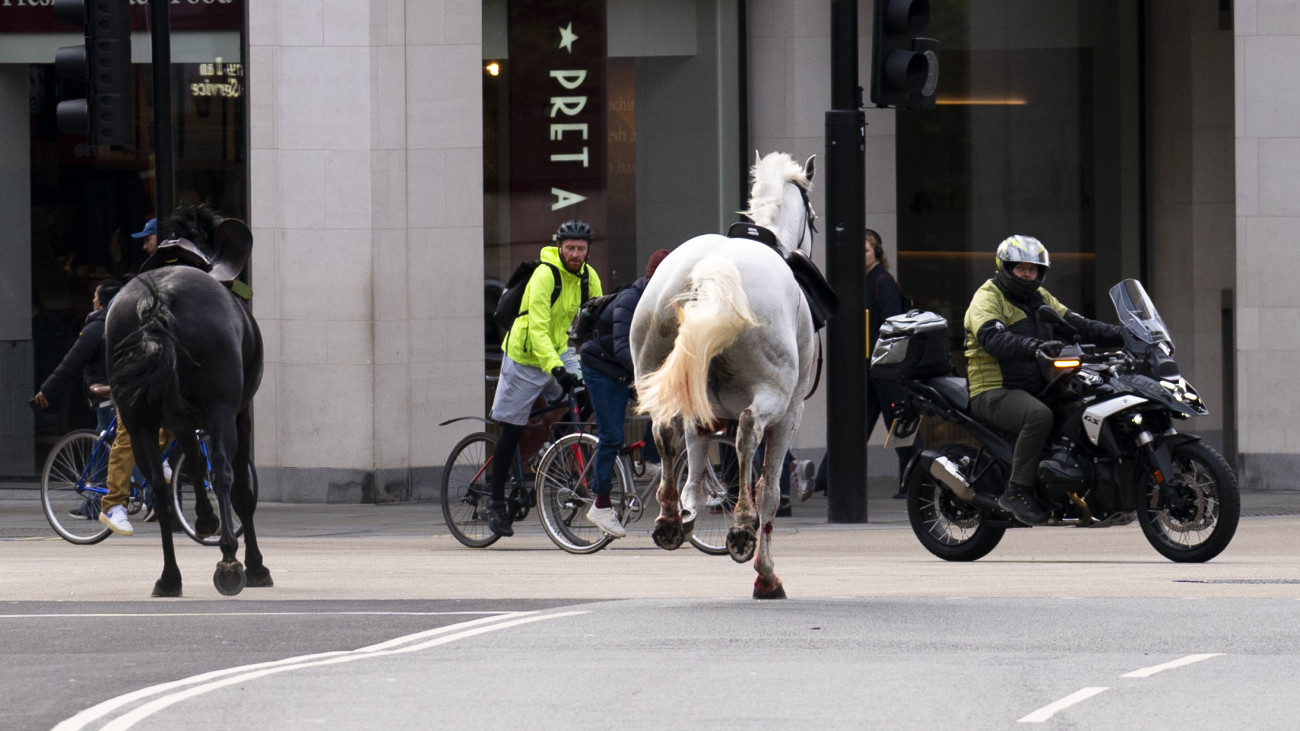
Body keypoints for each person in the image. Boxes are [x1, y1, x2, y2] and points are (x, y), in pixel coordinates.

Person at [964, 235, 1124, 525]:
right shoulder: (987, 297)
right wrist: (1033, 346)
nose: (1028, 274)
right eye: (1021, 268)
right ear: (1005, 267)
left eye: (1033, 269)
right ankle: (1016, 491)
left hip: (1037, 385)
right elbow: (994, 338)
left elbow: (1077, 323)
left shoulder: (1040, 298)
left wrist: (1125, 334)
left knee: (1084, 405)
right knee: (1038, 416)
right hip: (995, 388)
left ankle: (1076, 487)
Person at [484, 219, 603, 536]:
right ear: (560, 247)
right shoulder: (544, 275)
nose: (575, 254)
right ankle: (494, 503)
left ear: (588, 250)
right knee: (512, 428)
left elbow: (596, 325)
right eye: (570, 248)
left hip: (559, 350)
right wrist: (557, 371)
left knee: (585, 396)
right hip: (525, 356)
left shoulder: (590, 279)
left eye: (581, 249)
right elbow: (536, 330)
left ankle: (554, 448)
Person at [804, 229, 919, 501]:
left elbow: (892, 324)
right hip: (870, 367)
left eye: (866, 251)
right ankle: (828, 478)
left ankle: (915, 480)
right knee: (856, 424)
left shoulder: (883, 281)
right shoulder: (864, 280)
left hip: (885, 368)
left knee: (899, 425)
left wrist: (880, 357)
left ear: (876, 253)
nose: (860, 256)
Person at [578, 249, 671, 537]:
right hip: (602, 368)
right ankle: (601, 504)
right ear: (653, 278)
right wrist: (651, 378)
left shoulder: (662, 302)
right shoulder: (630, 300)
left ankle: (653, 459)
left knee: (667, 408)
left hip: (625, 370)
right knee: (612, 436)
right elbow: (621, 348)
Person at [32, 280, 123, 519]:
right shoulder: (125, 325)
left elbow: (70, 364)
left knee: (109, 449)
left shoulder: (95, 329)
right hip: (121, 394)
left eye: (95, 296)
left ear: (102, 302)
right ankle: (107, 500)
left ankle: (98, 502)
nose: (92, 300)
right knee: (107, 445)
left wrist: (47, 390)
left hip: (106, 398)